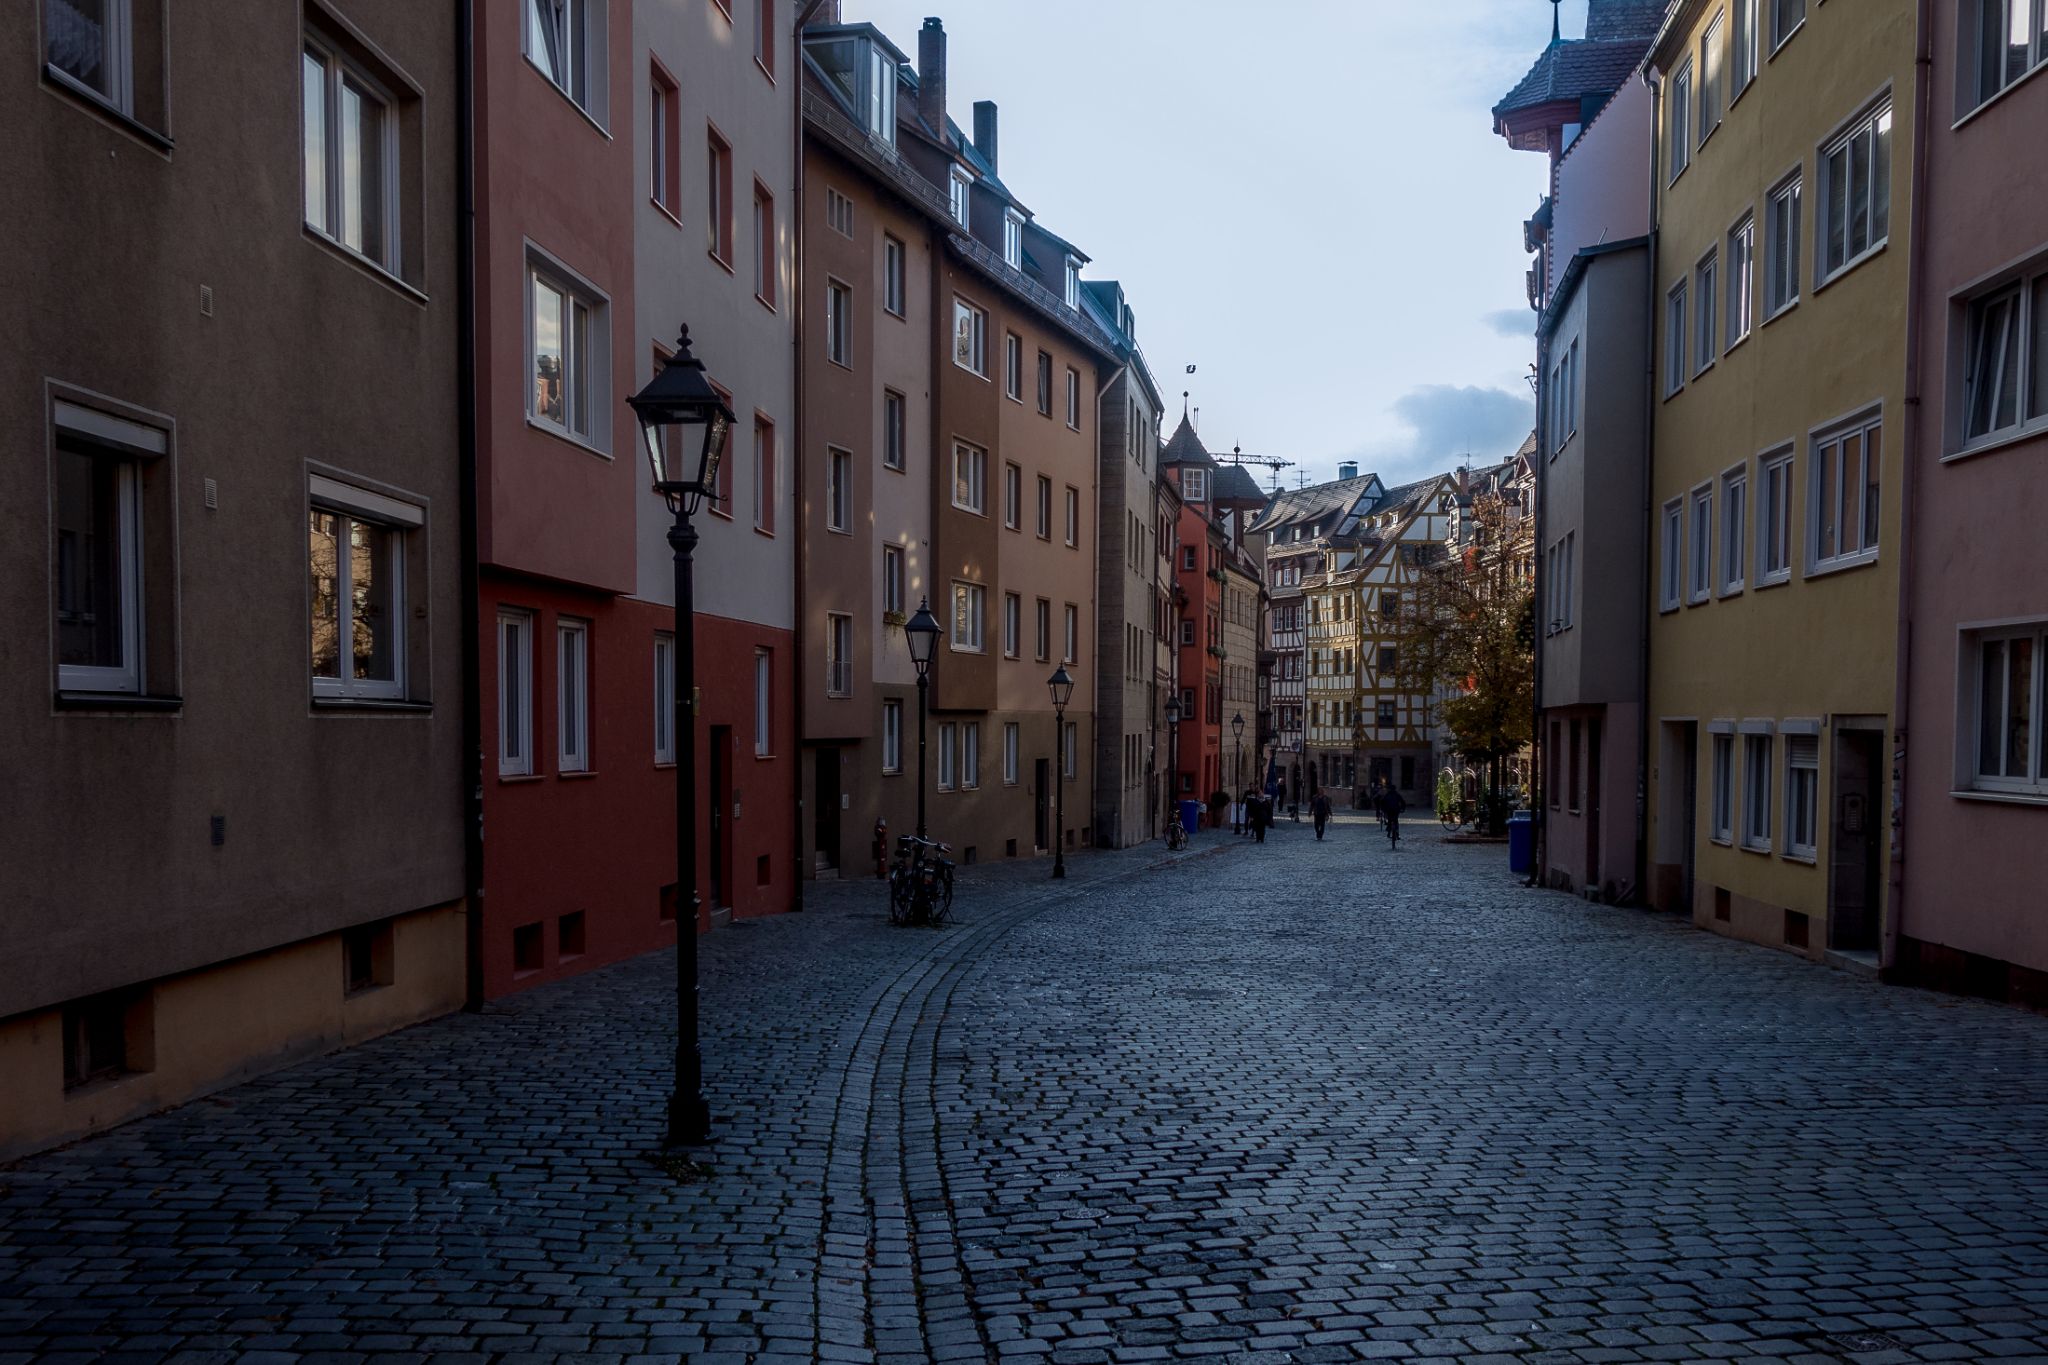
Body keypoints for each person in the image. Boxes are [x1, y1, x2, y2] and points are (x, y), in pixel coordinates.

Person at [1379, 782, 1407, 848]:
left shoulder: (1387, 795)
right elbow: (1403, 802)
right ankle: (1397, 833)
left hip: (1388, 810)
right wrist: (1403, 809)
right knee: (1396, 820)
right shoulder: (1397, 795)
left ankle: (1389, 829)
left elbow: (1382, 802)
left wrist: (1383, 809)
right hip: (1396, 810)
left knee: (1389, 819)